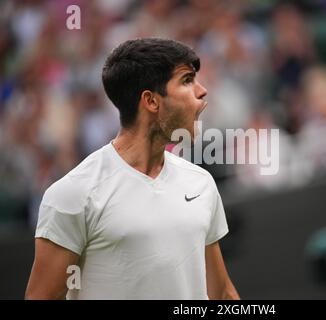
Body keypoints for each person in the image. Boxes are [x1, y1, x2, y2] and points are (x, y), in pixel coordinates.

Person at [25, 38, 240, 300]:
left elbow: (221, 293)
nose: (202, 91)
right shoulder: (73, 194)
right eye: (186, 80)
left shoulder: (201, 183)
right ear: (151, 101)